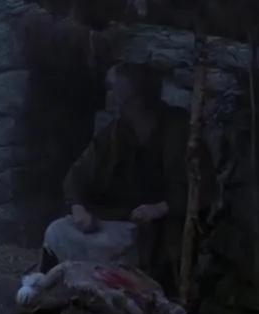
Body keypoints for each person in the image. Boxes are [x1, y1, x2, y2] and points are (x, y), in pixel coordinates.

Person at [39, 63, 216, 296]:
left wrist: (162, 207)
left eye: (115, 90)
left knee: (141, 256)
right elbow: (78, 175)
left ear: (136, 98)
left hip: (158, 234)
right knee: (57, 231)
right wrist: (78, 208)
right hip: (117, 224)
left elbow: (202, 186)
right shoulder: (116, 132)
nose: (110, 96)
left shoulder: (178, 129)